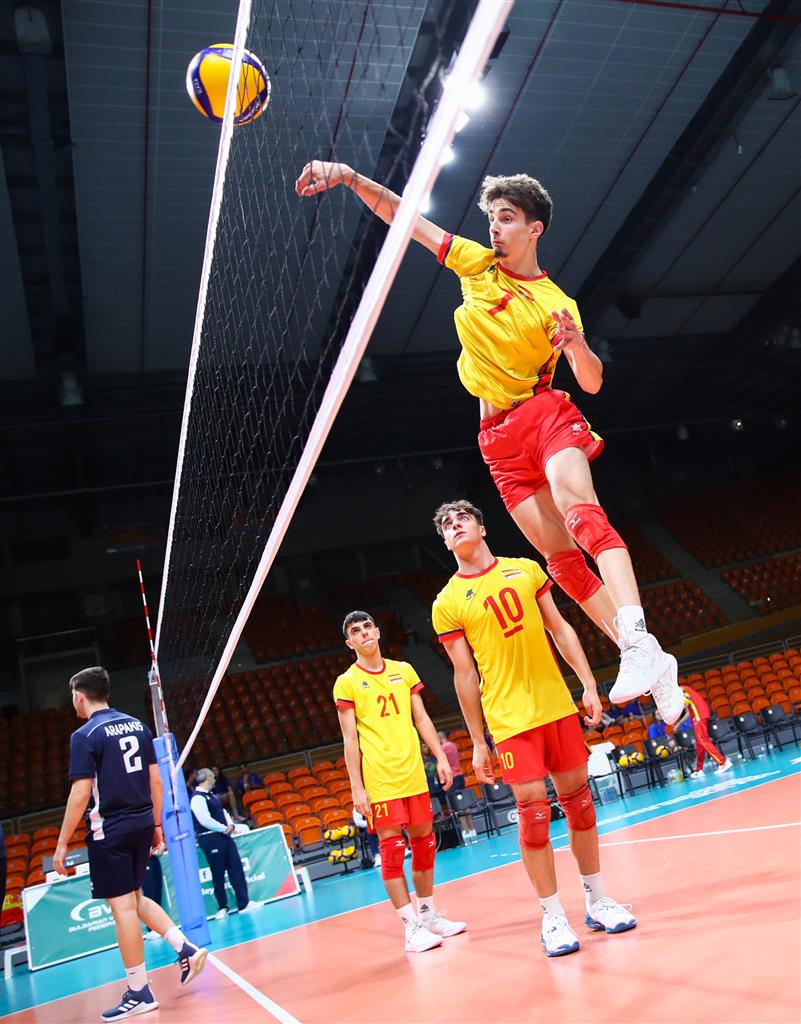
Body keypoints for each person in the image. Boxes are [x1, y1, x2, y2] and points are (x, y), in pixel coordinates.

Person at [295, 161, 684, 726]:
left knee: (581, 514)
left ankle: (638, 637)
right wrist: (352, 178)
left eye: (507, 218)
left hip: (544, 414)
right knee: (562, 564)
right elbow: (406, 218)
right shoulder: (476, 265)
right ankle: (653, 662)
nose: (495, 228)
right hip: (497, 441)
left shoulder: (555, 303)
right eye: (493, 218)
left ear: (534, 229)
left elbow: (593, 381)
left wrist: (577, 346)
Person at [431, 500, 636, 957]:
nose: (455, 526)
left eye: (462, 519)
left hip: (556, 706)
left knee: (581, 806)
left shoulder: (524, 569)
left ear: (482, 528)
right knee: (534, 815)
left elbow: (560, 628)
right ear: (445, 542)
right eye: (447, 525)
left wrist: (587, 683)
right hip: (509, 719)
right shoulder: (447, 602)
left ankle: (597, 900)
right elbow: (464, 675)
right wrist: (477, 741)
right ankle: (552, 916)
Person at [53, 666, 207, 1021]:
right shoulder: (138, 725)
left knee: (122, 908)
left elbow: (80, 792)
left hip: (111, 829)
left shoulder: (84, 735)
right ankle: (184, 947)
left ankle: (139, 992)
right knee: (135, 898)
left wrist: (61, 844)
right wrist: (157, 824)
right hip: (141, 824)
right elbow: (157, 781)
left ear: (79, 696)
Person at [334, 610, 467, 953]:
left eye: (367, 627)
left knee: (425, 843)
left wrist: (439, 757)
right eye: (355, 631)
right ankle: (411, 927)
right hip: (381, 778)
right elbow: (350, 740)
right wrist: (356, 786)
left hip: (413, 773)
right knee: (392, 851)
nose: (364, 633)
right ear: (350, 643)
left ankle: (428, 915)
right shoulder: (347, 682)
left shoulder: (403, 670)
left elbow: (421, 718)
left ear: (377, 632)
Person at [190, 768, 256, 920]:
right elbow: (204, 820)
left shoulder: (211, 795)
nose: (214, 780)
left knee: (236, 868)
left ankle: (244, 903)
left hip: (224, 836)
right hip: (210, 838)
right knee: (218, 873)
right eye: (213, 777)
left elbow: (223, 812)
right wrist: (224, 828)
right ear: (207, 778)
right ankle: (222, 907)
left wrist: (231, 825)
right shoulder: (197, 798)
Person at [677, 685, 731, 778]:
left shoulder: (682, 689)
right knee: (699, 744)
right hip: (699, 716)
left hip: (699, 716)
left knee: (703, 740)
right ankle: (699, 769)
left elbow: (681, 691)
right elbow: (688, 712)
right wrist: (679, 724)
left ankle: (723, 762)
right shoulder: (688, 696)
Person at [437, 730, 476, 841]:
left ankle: (465, 830)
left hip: (452, 778)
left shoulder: (443, 748)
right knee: (465, 804)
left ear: (440, 738)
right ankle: (472, 829)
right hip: (460, 776)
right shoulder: (453, 745)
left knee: (456, 806)